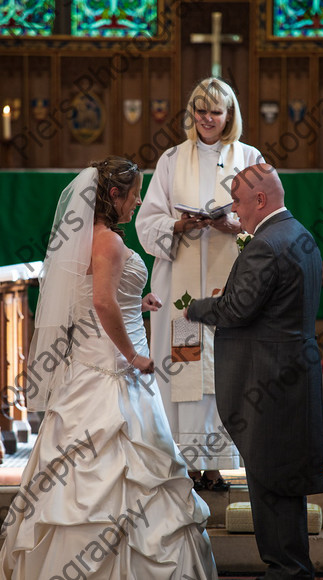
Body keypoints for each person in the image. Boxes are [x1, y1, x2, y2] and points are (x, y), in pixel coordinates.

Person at [0, 157, 218, 580]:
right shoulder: (110, 243)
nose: (137, 202)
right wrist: (134, 357)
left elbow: (90, 298)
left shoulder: (88, 240)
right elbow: (101, 304)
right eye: (134, 194)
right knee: (133, 468)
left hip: (86, 368)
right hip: (115, 373)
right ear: (114, 194)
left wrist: (139, 303)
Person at [186, 164, 323, 577]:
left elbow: (237, 309)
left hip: (268, 380)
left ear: (260, 200)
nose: (234, 209)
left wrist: (196, 308)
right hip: (292, 375)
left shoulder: (266, 244)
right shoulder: (299, 233)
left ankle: (286, 570)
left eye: (238, 200)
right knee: (283, 483)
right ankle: (290, 568)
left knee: (271, 483)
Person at [135, 77, 264, 491]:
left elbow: (266, 221)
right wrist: (177, 223)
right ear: (192, 113)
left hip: (230, 291)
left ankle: (215, 464)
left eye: (216, 111)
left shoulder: (249, 157)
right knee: (186, 369)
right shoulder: (172, 159)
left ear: (230, 115)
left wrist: (232, 227)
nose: (207, 118)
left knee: (223, 372)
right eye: (200, 110)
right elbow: (146, 220)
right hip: (184, 293)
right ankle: (188, 464)